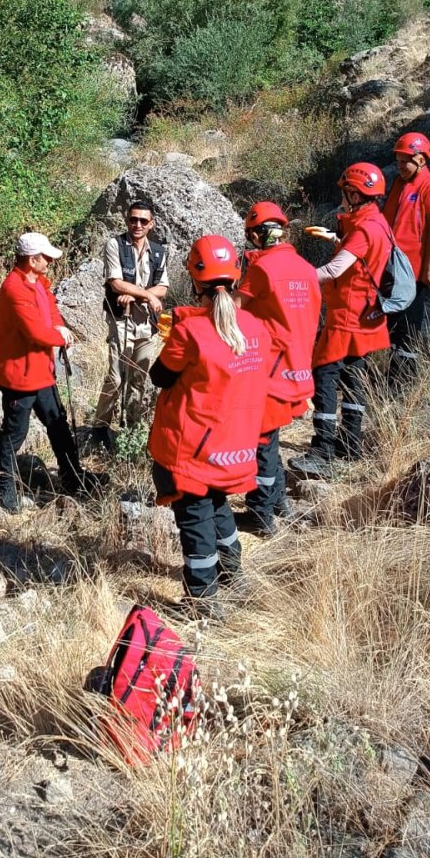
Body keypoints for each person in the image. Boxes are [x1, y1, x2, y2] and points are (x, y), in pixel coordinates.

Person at [148, 236, 273, 619]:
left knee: (195, 516)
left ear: (195, 280)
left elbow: (160, 376)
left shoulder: (188, 333)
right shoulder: (256, 328)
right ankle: (233, 573)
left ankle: (202, 601)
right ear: (237, 277)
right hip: (233, 446)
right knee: (219, 506)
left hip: (190, 449)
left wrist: (182, 326)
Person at [291, 163, 391, 480]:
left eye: (345, 192)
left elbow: (335, 270)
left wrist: (294, 276)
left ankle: (323, 451)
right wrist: (336, 237)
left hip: (347, 315)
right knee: (354, 376)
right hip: (364, 313)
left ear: (354, 193)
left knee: (324, 374)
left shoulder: (363, 230)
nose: (343, 198)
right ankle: (350, 446)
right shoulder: (375, 221)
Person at [0, 232, 103, 512]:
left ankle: (73, 477)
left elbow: (51, 313)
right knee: (14, 434)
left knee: (58, 425)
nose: (51, 261)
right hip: (19, 376)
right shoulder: (14, 289)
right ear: (32, 259)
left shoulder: (38, 282)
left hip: (41, 371)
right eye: (46, 257)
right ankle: (5, 488)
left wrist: (60, 327)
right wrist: (61, 337)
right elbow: (34, 332)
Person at [237, 202, 321, 535]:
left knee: (260, 440)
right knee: (271, 438)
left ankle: (260, 515)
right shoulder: (305, 267)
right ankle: (277, 502)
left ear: (257, 236)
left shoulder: (262, 270)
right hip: (297, 368)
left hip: (269, 368)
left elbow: (234, 309)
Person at [92, 197, 169, 443]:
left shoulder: (159, 251)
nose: (137, 224)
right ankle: (100, 427)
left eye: (142, 220)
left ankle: (132, 428)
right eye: (133, 219)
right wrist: (146, 294)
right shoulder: (115, 245)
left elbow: (163, 288)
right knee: (116, 376)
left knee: (138, 376)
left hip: (147, 322)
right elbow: (115, 283)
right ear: (127, 220)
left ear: (151, 224)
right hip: (120, 319)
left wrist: (134, 294)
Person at [383, 131, 430, 383]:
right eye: (398, 161)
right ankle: (393, 375)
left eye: (405, 161)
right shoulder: (401, 184)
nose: (399, 166)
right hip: (395, 266)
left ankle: (404, 381)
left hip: (414, 269)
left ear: (421, 160)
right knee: (394, 323)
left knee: (408, 326)